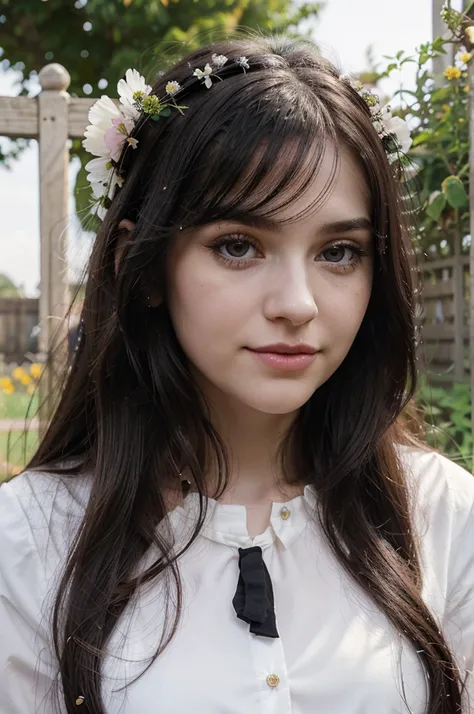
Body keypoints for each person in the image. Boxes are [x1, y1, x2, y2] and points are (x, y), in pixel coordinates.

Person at [0, 36, 473, 714]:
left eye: (339, 252)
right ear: (148, 266)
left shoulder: (446, 520)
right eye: (238, 246)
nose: (297, 304)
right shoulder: (29, 545)